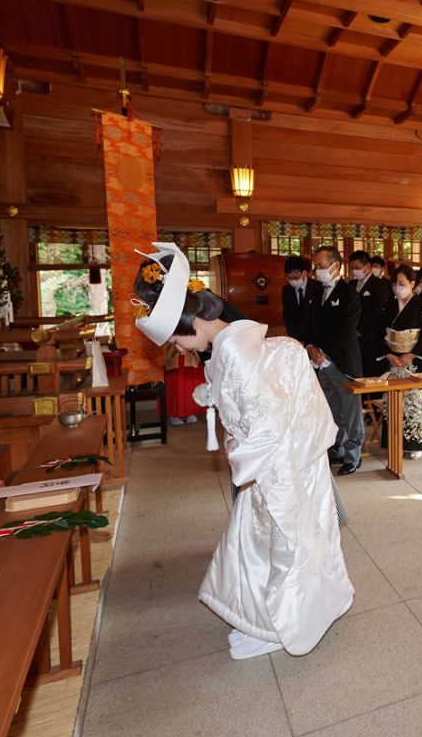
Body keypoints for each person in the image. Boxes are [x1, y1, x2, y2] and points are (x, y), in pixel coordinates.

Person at [132, 242, 354, 660]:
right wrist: (216, 395)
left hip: (277, 468)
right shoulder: (235, 340)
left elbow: (265, 429)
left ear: (193, 324)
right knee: (259, 544)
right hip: (286, 460)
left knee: (284, 544)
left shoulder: (238, 356)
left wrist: (238, 448)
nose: (180, 351)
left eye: (178, 341)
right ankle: (267, 617)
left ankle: (281, 625)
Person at [308, 246, 365, 475]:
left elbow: (346, 331)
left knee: (351, 413)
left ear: (336, 266)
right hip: (320, 363)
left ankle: (354, 456)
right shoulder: (316, 293)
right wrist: (311, 346)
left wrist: (325, 352)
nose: (318, 271)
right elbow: (310, 325)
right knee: (332, 411)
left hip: (342, 363)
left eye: (321, 267)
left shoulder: (350, 295)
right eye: (316, 267)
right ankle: (337, 449)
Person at [376, 264, 422, 459]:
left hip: (415, 362)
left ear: (412, 283)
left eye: (401, 283)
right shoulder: (388, 306)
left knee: (414, 404)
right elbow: (378, 333)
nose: (397, 287)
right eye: (394, 284)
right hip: (394, 361)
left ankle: (415, 443)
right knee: (394, 403)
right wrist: (388, 354)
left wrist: (412, 354)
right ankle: (395, 441)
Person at [349, 250, 390, 377]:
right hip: (353, 340)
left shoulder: (379, 285)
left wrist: (360, 329)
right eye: (352, 268)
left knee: (372, 374)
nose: (354, 271)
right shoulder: (351, 284)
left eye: (357, 268)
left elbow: (378, 311)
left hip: (371, 338)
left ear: (367, 266)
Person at [281, 255, 321, 344]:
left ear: (304, 273)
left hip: (316, 338)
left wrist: (310, 342)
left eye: (295, 277)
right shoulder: (286, 290)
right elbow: (287, 317)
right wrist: (296, 339)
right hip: (297, 340)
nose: (293, 281)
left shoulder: (318, 288)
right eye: (289, 278)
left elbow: (319, 317)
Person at [163, 342, 205, 425]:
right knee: (175, 386)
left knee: (191, 385)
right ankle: (173, 414)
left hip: (190, 352)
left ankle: (191, 412)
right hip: (174, 353)